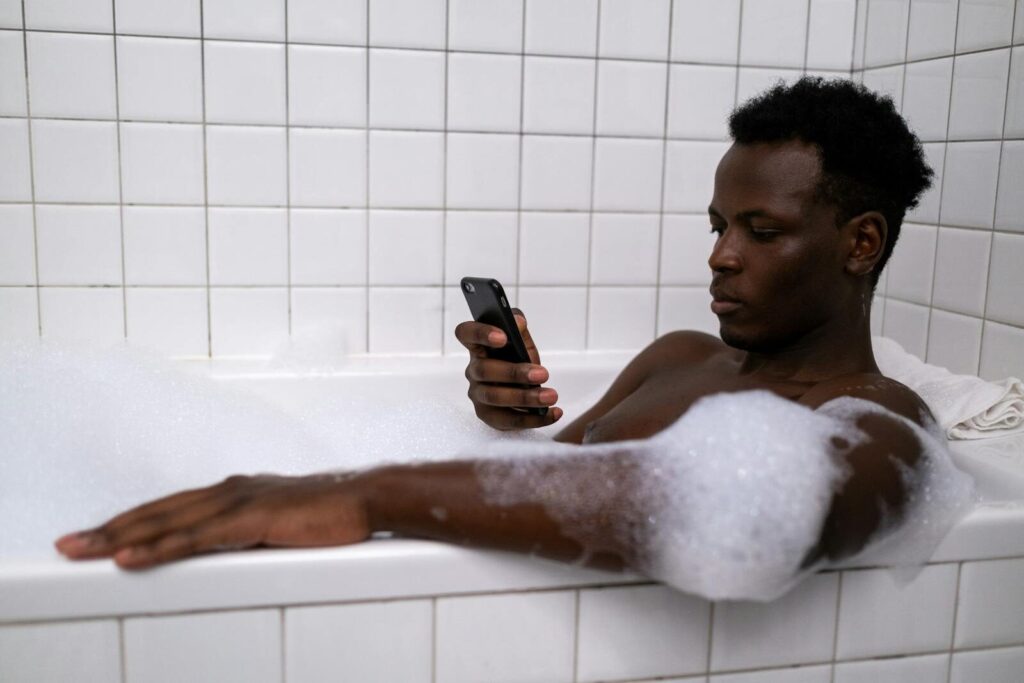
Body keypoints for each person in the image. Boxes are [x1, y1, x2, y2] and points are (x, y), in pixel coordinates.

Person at [55, 77, 937, 574]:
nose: (721, 256)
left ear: (861, 243)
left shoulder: (881, 418)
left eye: (762, 231)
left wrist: (366, 490)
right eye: (718, 225)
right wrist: (508, 426)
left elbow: (764, 510)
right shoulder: (679, 356)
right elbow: (556, 478)